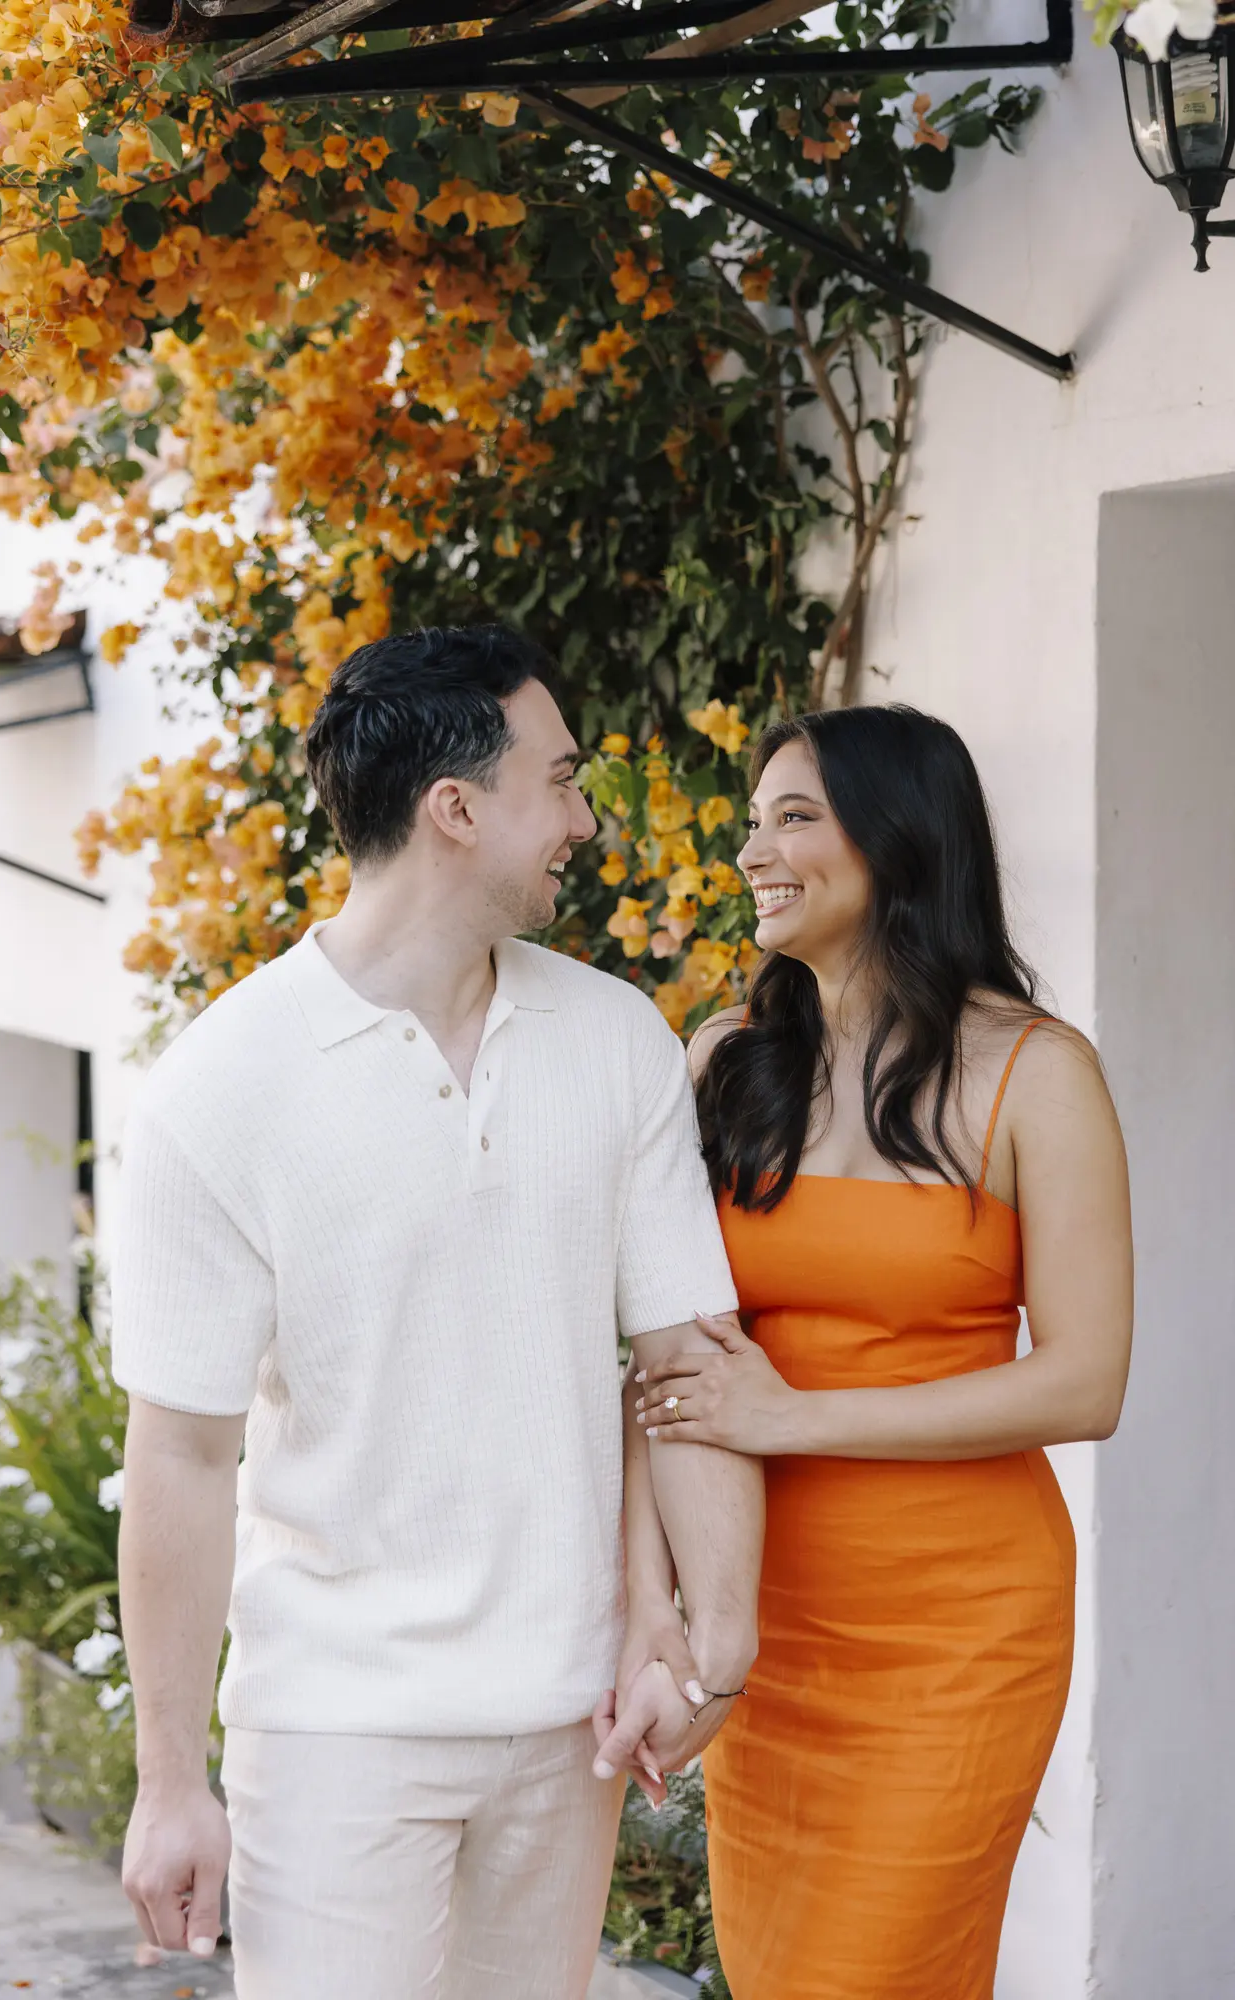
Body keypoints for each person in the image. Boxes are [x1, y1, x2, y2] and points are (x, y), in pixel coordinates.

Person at [109, 623, 763, 2000]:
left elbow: (688, 1365)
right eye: (561, 780)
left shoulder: (615, 1041)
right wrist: (169, 1783)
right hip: (336, 1730)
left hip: (571, 1718)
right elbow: (181, 1455)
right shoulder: (219, 1088)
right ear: (455, 809)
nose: (584, 821)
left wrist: (706, 1643)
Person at [634, 705, 1133, 2000]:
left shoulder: (1036, 1073)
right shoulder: (722, 1063)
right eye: (753, 822)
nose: (752, 852)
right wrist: (657, 1607)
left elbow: (1086, 1381)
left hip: (956, 1631)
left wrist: (795, 1417)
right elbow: (656, 1365)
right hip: (762, 1626)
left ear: (898, 837)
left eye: (794, 818)